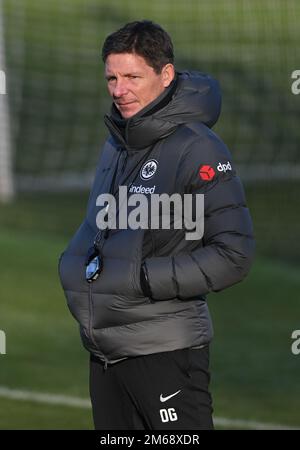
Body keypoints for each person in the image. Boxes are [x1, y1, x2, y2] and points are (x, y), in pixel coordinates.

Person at [58, 20, 255, 430]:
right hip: (106, 354)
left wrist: (144, 279)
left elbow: (234, 254)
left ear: (165, 75)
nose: (118, 89)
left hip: (165, 351)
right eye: (111, 77)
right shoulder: (116, 142)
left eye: (132, 76)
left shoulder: (197, 147)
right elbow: (104, 229)